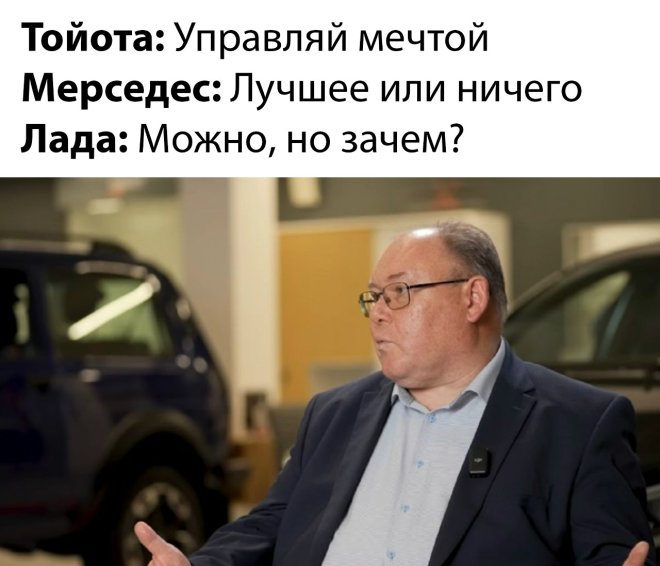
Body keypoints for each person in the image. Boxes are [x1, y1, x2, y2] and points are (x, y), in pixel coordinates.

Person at [135, 221, 656, 565]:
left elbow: (618, 557)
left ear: (472, 297)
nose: (378, 314)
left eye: (399, 293)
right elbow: (272, 522)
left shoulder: (579, 425)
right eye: (373, 298)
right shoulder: (333, 414)